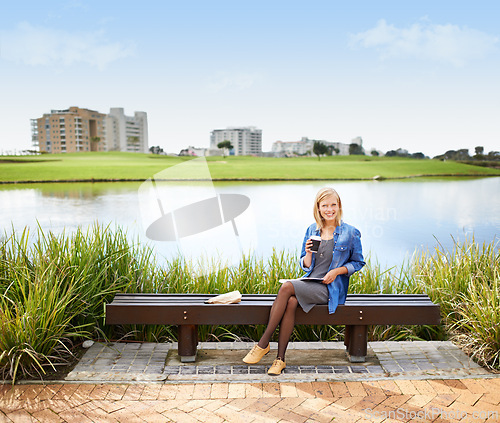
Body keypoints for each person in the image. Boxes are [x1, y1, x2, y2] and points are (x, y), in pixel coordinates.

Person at [243, 187, 365, 375]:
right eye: (325, 205)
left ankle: (263, 343)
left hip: (330, 289)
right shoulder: (311, 229)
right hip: (311, 282)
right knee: (291, 302)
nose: (329, 209)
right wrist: (308, 253)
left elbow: (358, 262)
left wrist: (337, 271)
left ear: (339, 206)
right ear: (318, 207)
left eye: (333, 204)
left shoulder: (351, 232)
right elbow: (306, 265)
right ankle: (280, 360)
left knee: (287, 287)